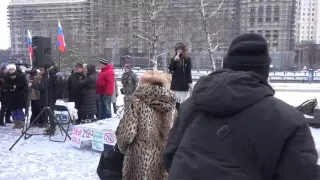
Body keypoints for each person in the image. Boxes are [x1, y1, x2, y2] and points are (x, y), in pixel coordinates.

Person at [162, 34, 320, 179]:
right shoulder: (290, 121)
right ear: (265, 71)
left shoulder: (192, 106)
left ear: (226, 65)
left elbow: (169, 157)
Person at [116, 71, 176, 180]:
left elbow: (126, 134)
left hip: (139, 161)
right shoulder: (171, 106)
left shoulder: (137, 103)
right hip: (163, 161)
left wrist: (122, 148)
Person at [30, 66, 58, 134]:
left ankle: (52, 127)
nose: (40, 70)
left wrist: (32, 85)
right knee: (48, 112)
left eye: (41, 69)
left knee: (50, 112)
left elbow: (43, 87)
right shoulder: (46, 77)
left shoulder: (47, 78)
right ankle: (51, 126)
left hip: (49, 98)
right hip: (47, 97)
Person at [169, 42, 192, 110]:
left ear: (183, 50)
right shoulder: (173, 58)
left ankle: (182, 118)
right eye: (177, 49)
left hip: (184, 85)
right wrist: (175, 60)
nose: (179, 51)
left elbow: (188, 71)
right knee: (175, 105)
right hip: (175, 85)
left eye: (180, 49)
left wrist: (190, 82)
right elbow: (170, 69)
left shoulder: (187, 59)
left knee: (184, 105)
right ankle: (176, 119)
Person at [3, 64, 28, 129]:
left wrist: (16, 86)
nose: (11, 71)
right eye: (10, 69)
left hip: (19, 95)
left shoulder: (21, 76)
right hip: (11, 96)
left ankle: (21, 123)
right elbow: (5, 85)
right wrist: (11, 87)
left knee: (19, 110)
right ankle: (16, 123)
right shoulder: (6, 77)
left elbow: (23, 85)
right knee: (13, 110)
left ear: (15, 69)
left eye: (12, 69)